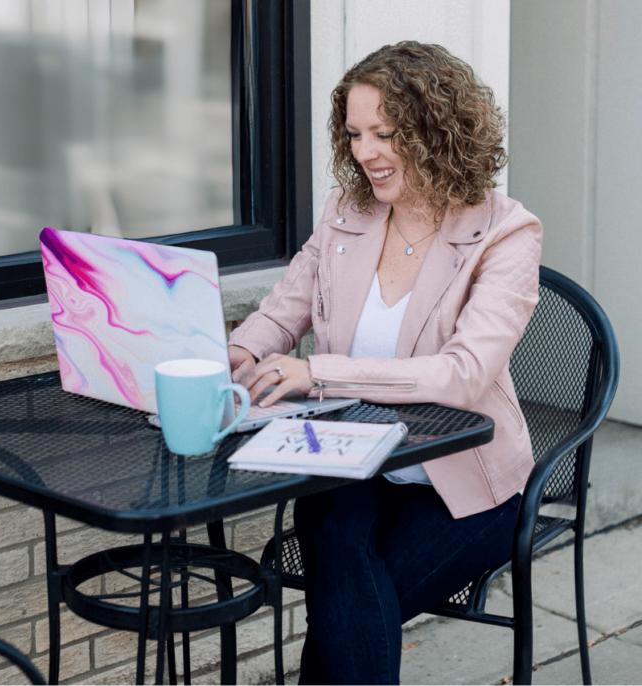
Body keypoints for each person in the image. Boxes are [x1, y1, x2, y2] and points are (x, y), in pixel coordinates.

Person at [227, 41, 543, 684]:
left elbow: (464, 373)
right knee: (349, 582)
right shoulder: (346, 213)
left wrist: (319, 371)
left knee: (347, 605)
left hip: (463, 486)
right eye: (354, 133)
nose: (365, 153)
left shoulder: (506, 232)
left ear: (438, 129)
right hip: (346, 460)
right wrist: (238, 351)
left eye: (385, 133)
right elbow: (281, 311)